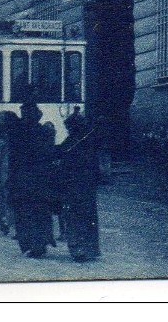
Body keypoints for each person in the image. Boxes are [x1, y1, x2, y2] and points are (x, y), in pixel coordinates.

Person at [9, 101, 56, 258]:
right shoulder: (44, 132)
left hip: (21, 179)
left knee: (23, 213)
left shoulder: (17, 133)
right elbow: (49, 155)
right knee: (40, 212)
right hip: (40, 180)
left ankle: (28, 245)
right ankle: (40, 244)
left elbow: (14, 159)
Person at [58, 111, 101, 262]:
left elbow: (61, 157)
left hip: (74, 185)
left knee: (74, 216)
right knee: (86, 216)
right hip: (85, 186)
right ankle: (88, 248)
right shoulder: (83, 141)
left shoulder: (77, 142)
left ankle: (78, 248)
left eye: (69, 127)